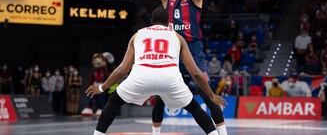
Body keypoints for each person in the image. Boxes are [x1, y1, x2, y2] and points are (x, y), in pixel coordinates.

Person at [86, 7, 226, 135]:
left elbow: (122, 69)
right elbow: (195, 73)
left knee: (114, 102)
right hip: (169, 78)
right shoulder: (177, 37)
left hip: (141, 76)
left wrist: (102, 87)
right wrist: (211, 95)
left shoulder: (137, 35)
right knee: (195, 108)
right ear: (168, 22)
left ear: (152, 22)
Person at [140, 0, 228, 135]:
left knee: (207, 94)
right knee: (161, 95)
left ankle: (223, 133)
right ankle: (156, 134)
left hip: (194, 49)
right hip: (173, 51)